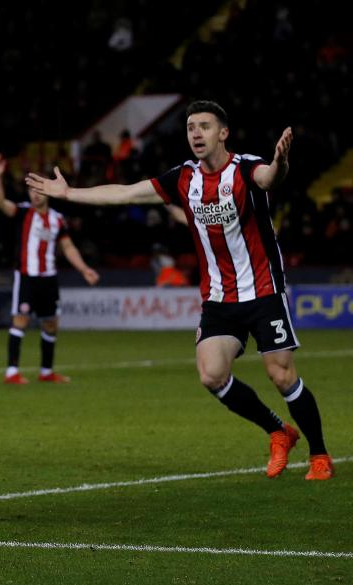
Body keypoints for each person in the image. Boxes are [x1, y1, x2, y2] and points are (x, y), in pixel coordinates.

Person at [26, 100, 333, 481]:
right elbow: (126, 193)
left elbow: (270, 178)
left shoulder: (245, 167)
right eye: (190, 127)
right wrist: (70, 193)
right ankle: (278, 431)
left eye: (204, 126)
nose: (196, 133)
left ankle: (320, 455)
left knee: (282, 375)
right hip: (219, 298)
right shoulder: (182, 178)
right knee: (211, 375)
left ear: (223, 133)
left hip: (264, 291)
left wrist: (282, 162)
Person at [0, 154, 99, 384]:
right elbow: (0, 203)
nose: (35, 194)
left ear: (47, 193)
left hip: (48, 279)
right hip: (27, 276)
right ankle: (12, 372)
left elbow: (68, 248)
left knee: (51, 323)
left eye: (39, 190)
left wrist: (84, 269)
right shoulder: (22, 213)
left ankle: (46, 371)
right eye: (31, 191)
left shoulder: (58, 220)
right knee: (20, 320)